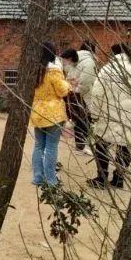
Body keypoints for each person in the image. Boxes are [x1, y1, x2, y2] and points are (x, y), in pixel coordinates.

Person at [88, 44, 131, 189]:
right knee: (124, 146)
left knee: (101, 146)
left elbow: (97, 94)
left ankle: (101, 178)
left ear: (113, 54)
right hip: (129, 115)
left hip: (107, 115)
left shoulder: (107, 70)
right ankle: (119, 178)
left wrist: (94, 115)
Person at [30, 42, 71, 186]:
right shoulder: (54, 71)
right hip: (54, 113)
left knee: (38, 146)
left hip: (37, 111)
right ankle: (51, 180)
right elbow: (62, 91)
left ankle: (37, 177)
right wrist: (69, 84)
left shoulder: (34, 70)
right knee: (51, 147)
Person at [61, 46, 96, 152]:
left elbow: (85, 83)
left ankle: (83, 145)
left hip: (84, 97)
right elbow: (69, 79)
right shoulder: (75, 63)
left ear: (71, 58)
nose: (65, 63)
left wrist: (74, 89)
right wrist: (72, 87)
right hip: (76, 96)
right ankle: (81, 146)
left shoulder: (88, 63)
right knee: (79, 121)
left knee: (84, 121)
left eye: (66, 60)